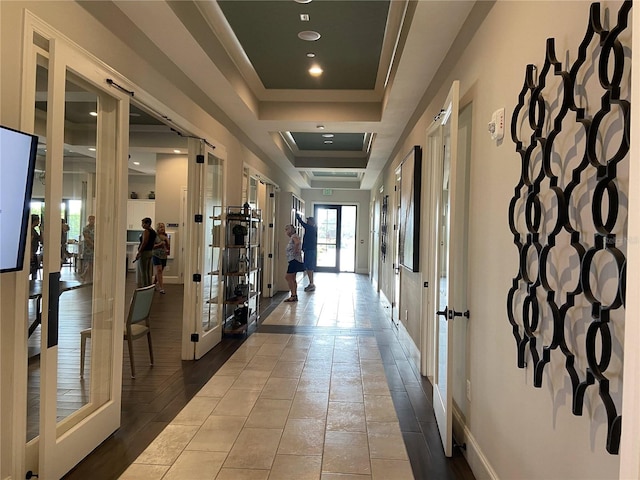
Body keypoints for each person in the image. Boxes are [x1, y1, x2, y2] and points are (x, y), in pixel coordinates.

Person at [295, 213, 318, 292]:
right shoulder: (312, 228)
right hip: (309, 250)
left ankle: (311, 284)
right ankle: (311, 283)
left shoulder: (311, 228)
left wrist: (297, 217)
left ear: (312, 222)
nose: (307, 222)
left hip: (310, 250)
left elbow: (302, 223)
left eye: (308, 220)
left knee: (309, 267)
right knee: (309, 267)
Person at [284, 224, 304, 302]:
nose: (286, 232)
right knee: (292, 278)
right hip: (293, 260)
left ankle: (293, 295)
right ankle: (294, 295)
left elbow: (297, 242)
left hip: (294, 260)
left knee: (288, 277)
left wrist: (296, 250)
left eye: (287, 230)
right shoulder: (294, 237)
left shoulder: (294, 236)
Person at [135, 217, 156, 287]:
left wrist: (139, 252)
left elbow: (144, 242)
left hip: (144, 253)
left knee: (143, 271)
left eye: (143, 223)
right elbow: (153, 243)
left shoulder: (146, 231)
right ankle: (149, 286)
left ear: (147, 224)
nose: (142, 225)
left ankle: (145, 286)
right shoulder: (153, 232)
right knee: (147, 271)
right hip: (150, 252)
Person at [152, 222, 170, 294]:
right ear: (157, 228)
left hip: (163, 256)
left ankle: (153, 284)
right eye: (160, 227)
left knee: (160, 271)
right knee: (159, 270)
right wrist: (160, 244)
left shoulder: (165, 236)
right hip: (156, 255)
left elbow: (167, 247)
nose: (162, 228)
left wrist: (167, 243)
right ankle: (161, 288)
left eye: (163, 227)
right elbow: (152, 246)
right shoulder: (155, 236)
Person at [81, 215, 95, 281]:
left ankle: (85, 275)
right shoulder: (85, 228)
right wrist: (93, 245)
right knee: (89, 262)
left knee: (92, 263)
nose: (92, 221)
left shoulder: (96, 228)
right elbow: (87, 238)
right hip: (88, 248)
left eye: (93, 219)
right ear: (88, 220)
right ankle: (86, 276)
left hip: (94, 248)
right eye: (91, 219)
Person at [30, 214, 41, 279]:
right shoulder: (31, 231)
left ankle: (34, 280)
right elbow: (30, 242)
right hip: (32, 253)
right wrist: (31, 253)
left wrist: (41, 230)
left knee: (35, 269)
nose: (39, 222)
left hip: (34, 253)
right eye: (38, 220)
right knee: (32, 269)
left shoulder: (34, 230)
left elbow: (41, 239)